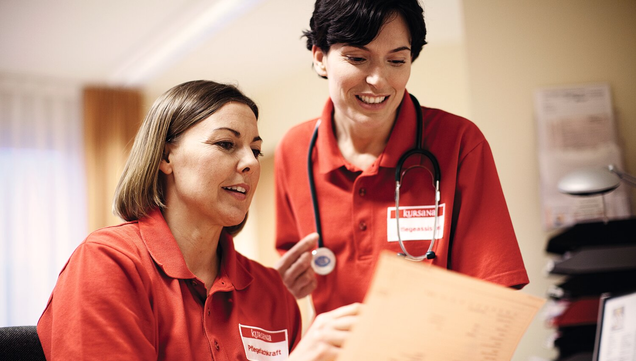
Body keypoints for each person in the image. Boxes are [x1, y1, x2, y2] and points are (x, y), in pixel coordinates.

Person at [37, 80, 360, 361]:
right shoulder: (108, 263)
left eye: (256, 150)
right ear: (166, 157)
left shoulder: (272, 292)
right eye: (226, 144)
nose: (249, 162)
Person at [274, 0, 530, 317]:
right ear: (320, 58)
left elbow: (494, 291)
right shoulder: (294, 149)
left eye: (396, 60)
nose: (378, 80)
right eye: (357, 58)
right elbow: (289, 274)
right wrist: (281, 288)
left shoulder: (459, 142)